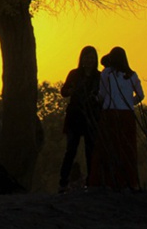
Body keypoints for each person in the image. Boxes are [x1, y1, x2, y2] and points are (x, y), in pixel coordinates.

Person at [88, 46, 145, 191]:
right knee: (126, 148)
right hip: (127, 114)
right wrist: (128, 102)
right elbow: (140, 95)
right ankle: (127, 181)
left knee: (107, 147)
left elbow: (102, 94)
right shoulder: (132, 75)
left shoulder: (107, 74)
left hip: (110, 113)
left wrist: (96, 99)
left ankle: (105, 180)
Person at [58, 46, 101, 192]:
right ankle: (63, 182)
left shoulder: (99, 77)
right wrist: (72, 90)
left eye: (91, 58)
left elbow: (102, 97)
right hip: (75, 116)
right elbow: (64, 92)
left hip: (91, 117)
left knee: (91, 151)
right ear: (81, 59)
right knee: (71, 150)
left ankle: (92, 182)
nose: (89, 61)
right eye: (86, 57)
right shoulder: (74, 74)